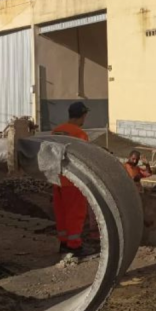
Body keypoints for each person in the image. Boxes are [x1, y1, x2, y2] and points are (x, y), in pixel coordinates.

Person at [51, 101, 91, 255]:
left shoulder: (56, 131)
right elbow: (85, 158)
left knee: (61, 212)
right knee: (75, 213)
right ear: (82, 115)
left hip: (57, 177)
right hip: (73, 180)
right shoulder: (80, 134)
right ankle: (74, 246)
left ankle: (63, 243)